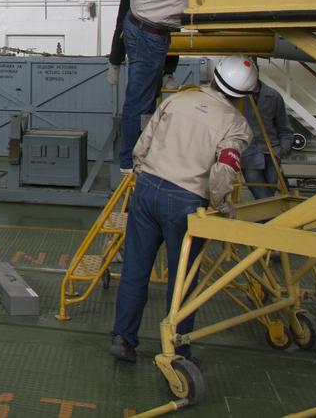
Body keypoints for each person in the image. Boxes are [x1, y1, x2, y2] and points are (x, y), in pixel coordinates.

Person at [109, 56, 256, 364]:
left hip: (147, 189)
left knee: (135, 270)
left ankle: (123, 339)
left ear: (214, 77)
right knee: (183, 281)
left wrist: (142, 173)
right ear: (245, 94)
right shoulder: (236, 124)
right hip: (186, 202)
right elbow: (224, 170)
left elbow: (143, 143)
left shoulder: (178, 100)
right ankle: (177, 351)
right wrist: (220, 203)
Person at [118, 0, 232, 170]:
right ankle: (128, 162)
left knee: (146, 95)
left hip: (136, 22)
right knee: (139, 100)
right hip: (150, 34)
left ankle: (142, 151)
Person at [242, 80, 294, 200]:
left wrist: (283, 149)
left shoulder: (274, 96)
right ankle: (271, 211)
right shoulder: (236, 96)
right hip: (248, 154)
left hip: (272, 153)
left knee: (269, 193)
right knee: (263, 196)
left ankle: (269, 211)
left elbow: (284, 126)